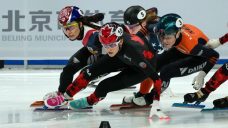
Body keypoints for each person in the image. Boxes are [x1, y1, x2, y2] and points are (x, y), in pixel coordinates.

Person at [44, 22, 167, 118]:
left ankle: (91, 101)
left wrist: (156, 103)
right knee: (88, 72)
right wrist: (66, 95)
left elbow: (156, 79)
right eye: (105, 45)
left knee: (104, 85)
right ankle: (65, 97)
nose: (108, 49)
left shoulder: (134, 51)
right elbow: (110, 43)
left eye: (111, 44)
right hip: (120, 55)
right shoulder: (111, 43)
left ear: (121, 40)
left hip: (140, 68)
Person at [43, 6, 105, 101]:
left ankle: (66, 97)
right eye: (65, 28)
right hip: (94, 49)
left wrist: (97, 73)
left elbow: (112, 55)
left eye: (71, 27)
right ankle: (62, 93)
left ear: (80, 24)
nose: (69, 32)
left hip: (110, 54)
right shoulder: (83, 22)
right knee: (69, 69)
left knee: (84, 74)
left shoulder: (92, 37)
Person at [122, 5, 164, 104]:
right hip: (159, 48)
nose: (130, 30)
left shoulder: (153, 27)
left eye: (133, 27)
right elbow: (154, 9)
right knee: (148, 65)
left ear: (143, 23)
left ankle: (149, 97)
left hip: (179, 51)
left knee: (154, 67)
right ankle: (142, 94)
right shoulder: (143, 25)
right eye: (129, 27)